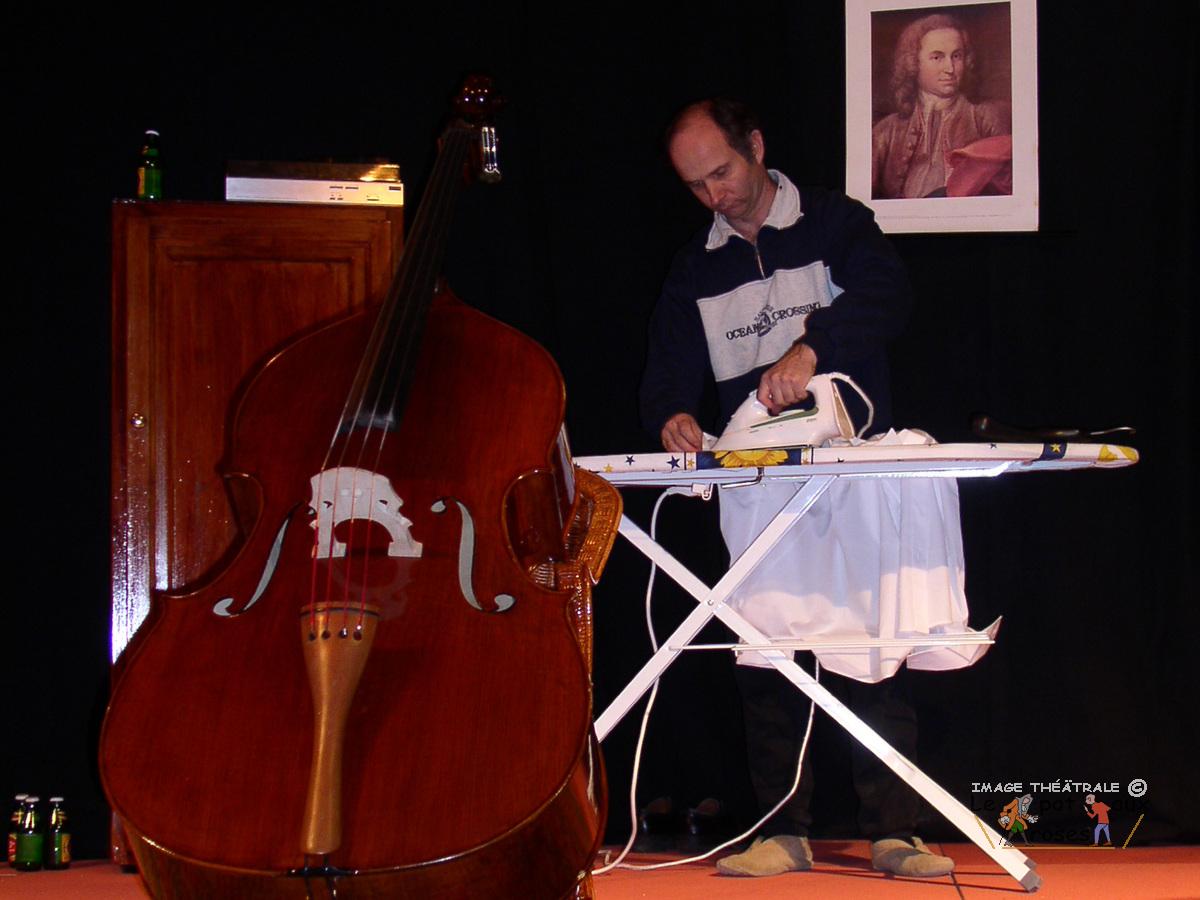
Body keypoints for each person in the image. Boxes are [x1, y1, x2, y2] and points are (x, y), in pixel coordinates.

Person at [640, 97, 955, 879]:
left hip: (851, 466)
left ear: (755, 144)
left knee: (871, 645)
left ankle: (895, 831)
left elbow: (889, 294)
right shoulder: (695, 267)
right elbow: (668, 366)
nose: (716, 195)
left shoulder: (833, 223)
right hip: (759, 484)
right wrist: (674, 414)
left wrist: (814, 349)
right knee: (766, 655)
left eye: (723, 172)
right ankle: (781, 829)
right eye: (696, 186)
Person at [871, 13, 1011, 199]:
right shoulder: (885, 132)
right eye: (937, 57)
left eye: (957, 56)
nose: (950, 68)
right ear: (913, 63)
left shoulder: (988, 117)